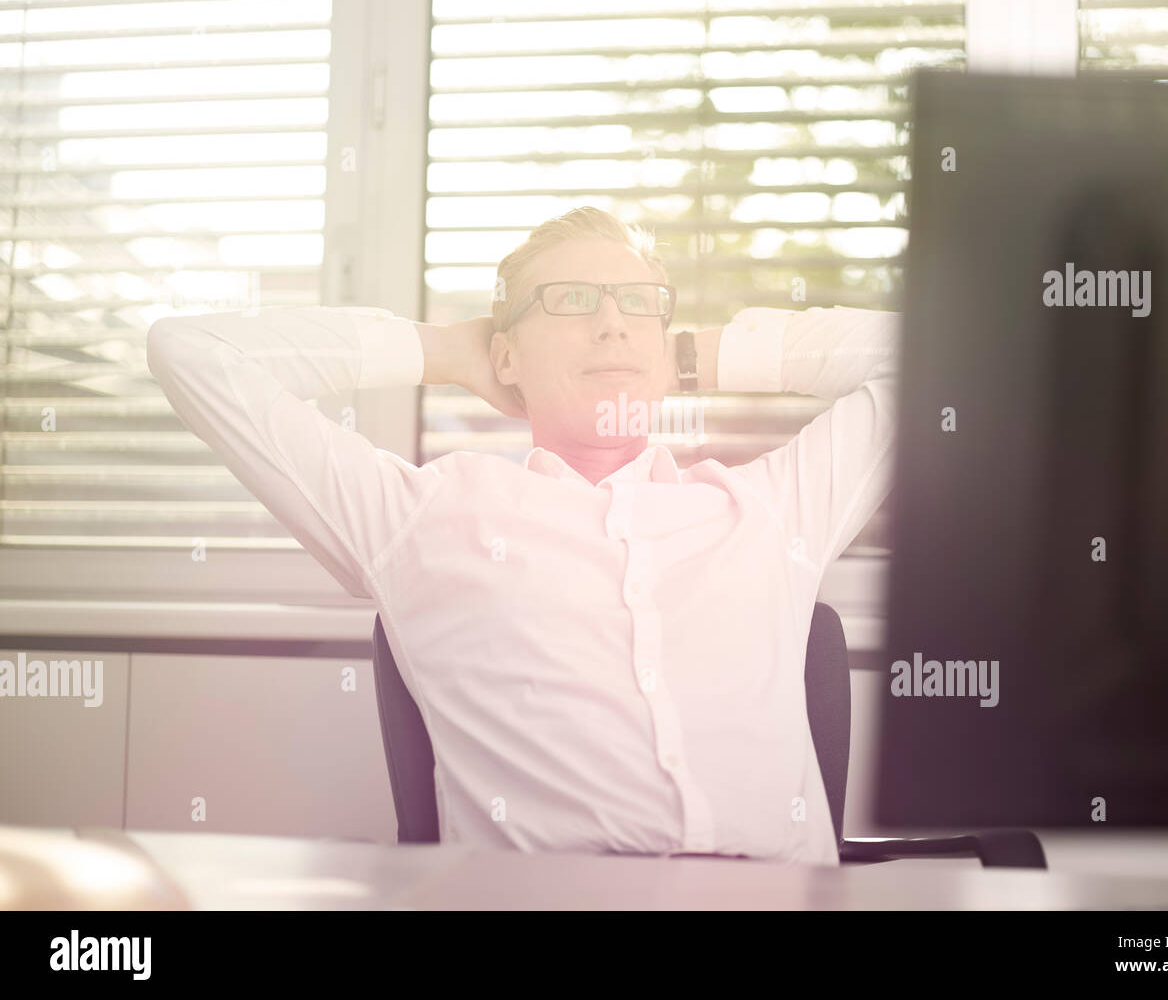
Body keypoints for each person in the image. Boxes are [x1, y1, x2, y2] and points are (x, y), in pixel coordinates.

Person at [146, 206, 901, 866]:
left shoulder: (770, 508)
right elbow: (194, 354)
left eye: (638, 303)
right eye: (570, 301)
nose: (611, 321)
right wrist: (442, 352)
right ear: (505, 355)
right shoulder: (424, 515)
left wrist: (690, 357)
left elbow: (941, 357)